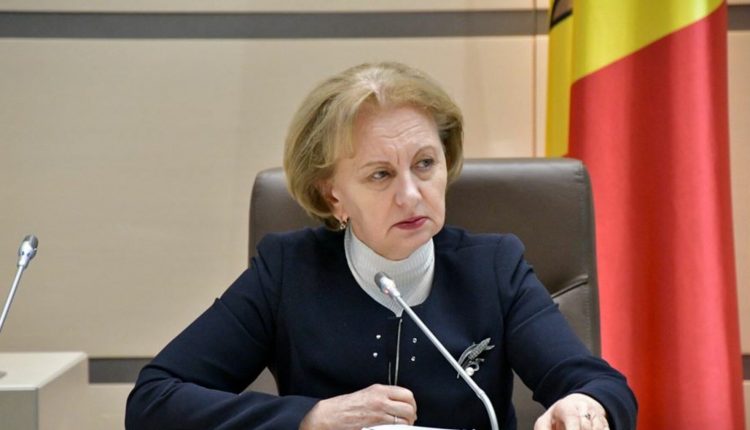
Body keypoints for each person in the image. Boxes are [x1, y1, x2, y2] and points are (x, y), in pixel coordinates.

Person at [125, 62, 637, 430]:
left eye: (425, 164)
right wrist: (311, 417)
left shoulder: (494, 268)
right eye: (380, 174)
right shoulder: (287, 272)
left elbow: (603, 388)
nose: (411, 195)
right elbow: (153, 401)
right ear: (333, 195)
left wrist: (585, 408)